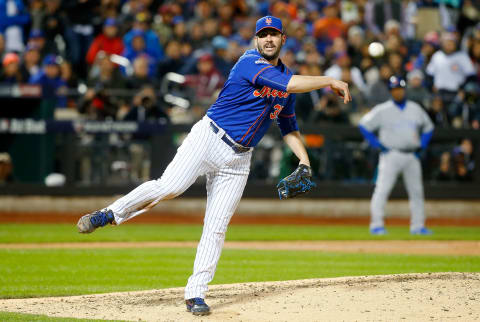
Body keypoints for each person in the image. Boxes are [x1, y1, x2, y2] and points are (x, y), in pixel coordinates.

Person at [76, 16, 351, 316]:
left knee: (217, 227)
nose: (268, 40)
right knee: (170, 187)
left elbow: (288, 127)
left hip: (239, 159)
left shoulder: (287, 80)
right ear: (256, 40)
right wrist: (329, 79)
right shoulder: (249, 62)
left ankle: (196, 294)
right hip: (209, 137)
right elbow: (289, 84)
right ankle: (110, 214)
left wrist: (304, 160)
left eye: (274, 34)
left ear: (284, 39)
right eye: (263, 35)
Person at [359, 76, 434, 236]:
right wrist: (377, 144)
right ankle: (376, 225)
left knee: (417, 192)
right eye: (394, 89)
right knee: (382, 190)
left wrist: (423, 144)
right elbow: (363, 125)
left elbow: (429, 127)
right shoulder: (383, 109)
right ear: (391, 91)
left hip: (411, 155)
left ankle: (418, 226)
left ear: (404, 89)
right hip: (391, 154)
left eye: (399, 89)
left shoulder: (415, 108)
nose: (397, 92)